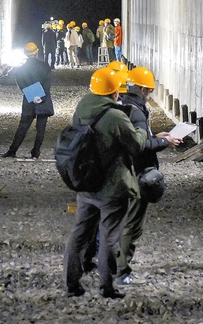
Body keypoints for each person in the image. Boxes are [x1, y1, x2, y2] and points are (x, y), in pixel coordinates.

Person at [63, 67, 154, 299]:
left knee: (79, 234)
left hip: (86, 184)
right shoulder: (115, 116)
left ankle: (72, 284)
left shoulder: (82, 107)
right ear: (115, 93)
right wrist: (143, 131)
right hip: (112, 187)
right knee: (110, 237)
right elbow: (135, 144)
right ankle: (106, 286)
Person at [115, 66, 180, 286]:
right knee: (132, 224)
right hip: (137, 172)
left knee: (119, 220)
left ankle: (112, 266)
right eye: (149, 91)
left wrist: (155, 135)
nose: (149, 95)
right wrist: (164, 142)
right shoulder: (137, 110)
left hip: (122, 171)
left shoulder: (123, 105)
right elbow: (139, 146)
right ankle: (121, 272)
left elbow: (136, 137)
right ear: (143, 89)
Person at [1, 42, 54, 159]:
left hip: (29, 100)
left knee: (23, 126)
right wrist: (41, 97)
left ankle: (12, 150)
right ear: (37, 52)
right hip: (43, 100)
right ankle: (36, 152)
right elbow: (47, 84)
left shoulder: (20, 69)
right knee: (41, 129)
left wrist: (33, 96)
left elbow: (22, 85)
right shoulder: (45, 66)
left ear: (25, 54)